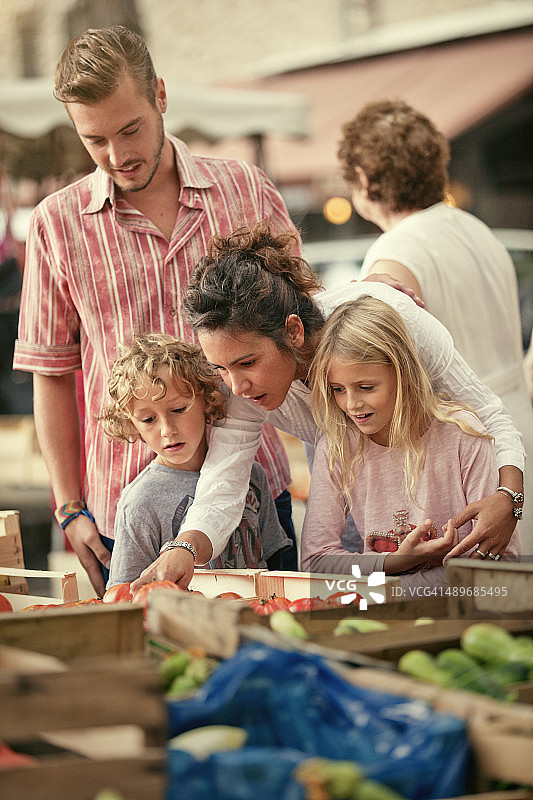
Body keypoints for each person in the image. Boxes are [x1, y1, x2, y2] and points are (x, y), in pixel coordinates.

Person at [13, 25, 299, 597]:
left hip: (255, 491)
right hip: (127, 508)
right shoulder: (55, 224)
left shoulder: (245, 189)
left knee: (282, 642)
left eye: (131, 129)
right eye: (95, 140)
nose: (117, 156)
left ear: (161, 96)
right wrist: (69, 508)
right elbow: (51, 372)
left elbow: (302, 329)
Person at [130, 220, 525, 592]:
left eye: (247, 363)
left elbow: (488, 414)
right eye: (221, 368)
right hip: (360, 489)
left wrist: (509, 498)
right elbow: (224, 481)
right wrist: (184, 547)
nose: (236, 386)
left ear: (293, 331)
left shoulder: (392, 319)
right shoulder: (318, 436)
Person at [337, 99, 532, 555]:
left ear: (363, 179)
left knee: (473, 588)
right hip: (516, 431)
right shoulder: (476, 228)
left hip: (466, 455)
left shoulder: (394, 252)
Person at [301, 296, 520, 585]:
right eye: (338, 389)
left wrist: (392, 588)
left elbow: (497, 560)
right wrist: (395, 562)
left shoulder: (462, 435)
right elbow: (315, 561)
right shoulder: (337, 445)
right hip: (386, 606)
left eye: (366, 387)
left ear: (403, 373)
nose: (351, 404)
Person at [101, 334, 292, 586]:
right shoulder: (138, 503)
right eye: (148, 420)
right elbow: (125, 593)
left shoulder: (251, 474)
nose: (167, 430)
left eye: (178, 409)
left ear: (207, 399)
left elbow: (276, 562)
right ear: (131, 423)